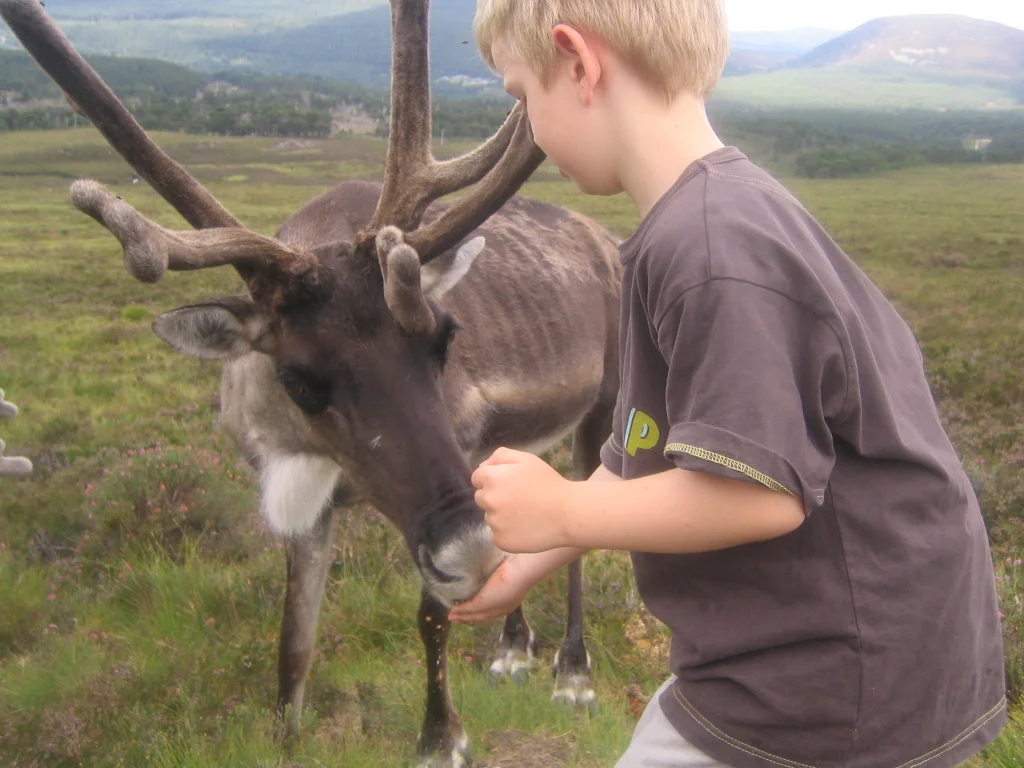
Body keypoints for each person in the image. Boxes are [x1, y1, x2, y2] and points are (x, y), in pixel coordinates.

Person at [448, 1, 1008, 767]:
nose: (531, 130)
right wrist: (532, 557)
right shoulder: (695, 222)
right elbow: (642, 451)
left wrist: (565, 504)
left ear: (578, 62)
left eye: (522, 96)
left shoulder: (711, 245)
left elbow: (758, 493)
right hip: (807, 656)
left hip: (833, 685)